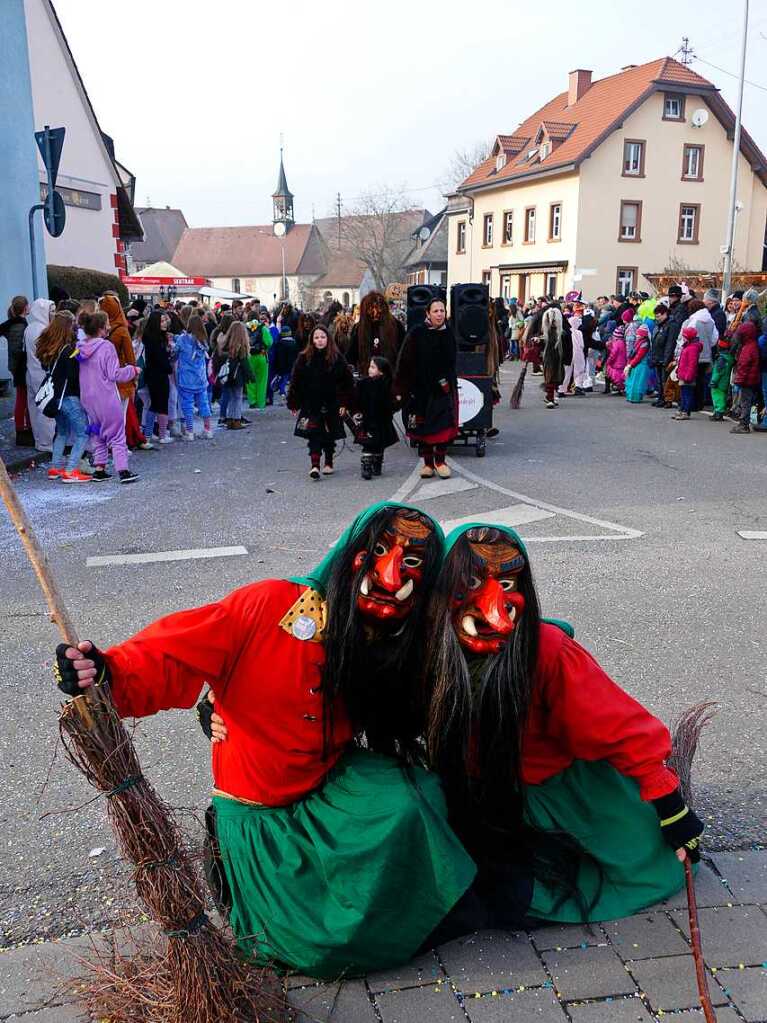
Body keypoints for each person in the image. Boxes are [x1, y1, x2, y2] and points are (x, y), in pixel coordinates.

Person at [54, 503, 477, 979]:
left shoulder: (385, 636)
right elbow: (172, 651)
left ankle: (405, 907)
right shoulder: (271, 603)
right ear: (351, 551)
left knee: (414, 799)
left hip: (330, 780)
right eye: (378, 550)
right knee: (320, 947)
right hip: (261, 809)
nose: (392, 571)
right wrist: (106, 671)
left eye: (414, 562)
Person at [425, 522, 703, 925]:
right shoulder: (429, 646)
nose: (493, 605)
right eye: (469, 581)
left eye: (507, 584)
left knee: (527, 897)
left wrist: (671, 806)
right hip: (475, 791)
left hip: (558, 792)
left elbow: (619, 725)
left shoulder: (548, 652)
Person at [395, 297, 458, 478]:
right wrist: (400, 389)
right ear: (428, 313)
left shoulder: (449, 333)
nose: (440, 314)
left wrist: (446, 382)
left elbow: (452, 361)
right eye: (436, 311)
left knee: (443, 427)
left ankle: (440, 461)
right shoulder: (417, 333)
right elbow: (404, 361)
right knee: (422, 429)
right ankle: (428, 464)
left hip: (442, 388)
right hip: (420, 389)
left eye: (442, 311)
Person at [77, 311, 140, 483]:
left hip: (88, 398)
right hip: (105, 396)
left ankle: (99, 468)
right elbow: (114, 374)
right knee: (117, 434)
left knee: (97, 432)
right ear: (101, 328)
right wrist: (132, 370)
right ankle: (123, 471)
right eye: (107, 324)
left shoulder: (81, 347)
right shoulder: (106, 346)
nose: (110, 326)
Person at [287, 324, 354, 479]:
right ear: (312, 340)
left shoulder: (337, 358)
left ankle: (329, 462)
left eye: (323, 337)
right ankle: (315, 465)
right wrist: (294, 402)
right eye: (316, 337)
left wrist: (345, 403)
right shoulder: (304, 358)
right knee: (314, 434)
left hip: (332, 402)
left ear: (328, 339)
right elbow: (296, 380)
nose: (320, 340)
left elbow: (347, 382)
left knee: (329, 434)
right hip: (311, 403)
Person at [34, 310, 90, 483]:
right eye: (73, 323)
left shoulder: (49, 348)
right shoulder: (68, 349)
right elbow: (74, 376)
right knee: (83, 433)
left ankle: (55, 468)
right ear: (68, 326)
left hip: (54, 398)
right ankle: (71, 470)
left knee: (62, 432)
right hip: (69, 396)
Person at [353, 356, 398, 480]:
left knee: (380, 443)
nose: (369, 369)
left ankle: (377, 463)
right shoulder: (363, 383)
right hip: (367, 420)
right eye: (369, 366)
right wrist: (357, 411)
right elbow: (356, 399)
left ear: (382, 371)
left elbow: (394, 401)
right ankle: (366, 466)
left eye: (373, 367)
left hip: (383, 420)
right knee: (368, 443)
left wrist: (393, 407)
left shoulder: (388, 384)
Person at [346, 291, 405, 375]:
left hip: (390, 377)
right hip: (366, 377)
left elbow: (403, 353)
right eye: (371, 308)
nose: (375, 312)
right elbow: (351, 355)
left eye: (378, 308)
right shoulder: (358, 328)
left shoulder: (396, 326)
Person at [23, 298, 56, 451]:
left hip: (31, 372)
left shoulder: (30, 328)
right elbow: (48, 354)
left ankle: (39, 439)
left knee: (34, 408)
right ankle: (46, 442)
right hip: (42, 373)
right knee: (46, 408)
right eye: (52, 311)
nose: (53, 314)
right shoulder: (43, 330)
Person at [174, 314, 213, 440]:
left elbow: (174, 353)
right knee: (204, 404)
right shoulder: (203, 340)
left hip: (186, 378)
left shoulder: (182, 339)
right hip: (200, 378)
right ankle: (208, 429)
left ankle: (190, 432)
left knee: (187, 405)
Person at [1, 296, 33, 446]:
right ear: (25, 308)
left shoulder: (13, 324)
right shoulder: (20, 326)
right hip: (21, 367)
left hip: (17, 366)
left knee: (23, 398)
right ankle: (22, 430)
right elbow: (19, 350)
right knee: (23, 398)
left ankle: (23, 429)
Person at [141, 311, 174, 443]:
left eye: (165, 320)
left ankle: (148, 434)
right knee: (162, 404)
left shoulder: (149, 337)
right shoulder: (156, 340)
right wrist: (168, 366)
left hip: (152, 374)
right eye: (161, 321)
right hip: (159, 374)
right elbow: (161, 359)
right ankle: (162, 434)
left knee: (154, 405)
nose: (165, 323)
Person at [220, 322, 254, 431]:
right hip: (237, 376)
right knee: (238, 398)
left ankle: (230, 420)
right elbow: (245, 363)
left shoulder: (225, 345)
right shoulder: (241, 346)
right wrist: (251, 376)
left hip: (227, 375)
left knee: (231, 398)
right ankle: (237, 420)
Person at [730, 320, 761, 434]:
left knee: (745, 402)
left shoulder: (748, 348)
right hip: (751, 379)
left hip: (746, 381)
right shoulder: (753, 345)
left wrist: (739, 381)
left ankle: (744, 425)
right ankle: (744, 423)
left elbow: (743, 366)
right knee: (747, 401)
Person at [672, 326, 703, 421]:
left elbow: (692, 364)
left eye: (684, 336)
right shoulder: (687, 346)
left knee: (687, 394)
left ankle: (686, 411)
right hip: (683, 374)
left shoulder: (692, 348)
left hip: (687, 376)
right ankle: (682, 409)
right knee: (683, 394)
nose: (683, 338)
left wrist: (688, 375)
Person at [244, 313, 272, 409]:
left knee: (250, 380)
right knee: (262, 380)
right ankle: (261, 403)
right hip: (261, 355)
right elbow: (269, 342)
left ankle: (252, 401)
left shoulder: (244, 328)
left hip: (249, 356)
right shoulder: (262, 328)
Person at [650, 305, 673, 409]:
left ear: (665, 314)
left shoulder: (670, 325)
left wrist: (666, 358)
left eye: (658, 316)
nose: (657, 318)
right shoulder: (658, 325)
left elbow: (670, 343)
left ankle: (667, 400)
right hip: (657, 355)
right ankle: (661, 398)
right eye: (656, 316)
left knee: (665, 380)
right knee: (659, 379)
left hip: (664, 356)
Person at [624, 324, 651, 403]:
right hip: (636, 364)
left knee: (637, 382)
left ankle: (635, 398)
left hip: (641, 365)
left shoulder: (644, 344)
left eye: (639, 334)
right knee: (633, 381)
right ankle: (631, 397)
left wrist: (630, 365)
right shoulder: (640, 341)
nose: (637, 335)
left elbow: (639, 356)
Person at [604, 323, 627, 395]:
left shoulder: (617, 343)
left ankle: (616, 388)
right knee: (621, 377)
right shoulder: (623, 342)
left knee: (612, 374)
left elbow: (613, 354)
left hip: (616, 363)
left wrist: (608, 361)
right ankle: (621, 389)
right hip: (622, 363)